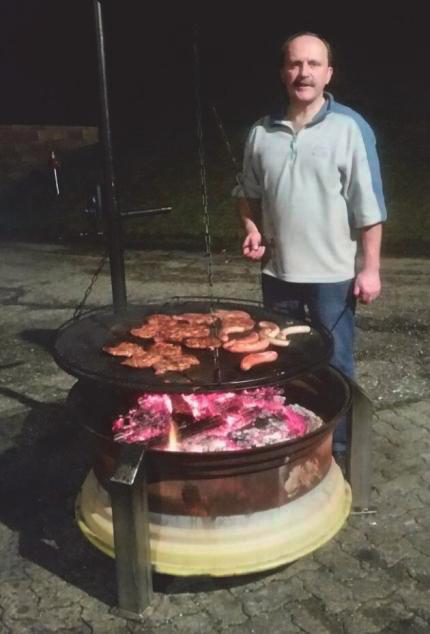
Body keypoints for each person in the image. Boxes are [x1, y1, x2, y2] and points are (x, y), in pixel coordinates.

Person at [234, 32, 387, 458]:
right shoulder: (261, 131)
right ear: (283, 72)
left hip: (332, 277)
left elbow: (369, 207)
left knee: (335, 365)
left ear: (328, 73)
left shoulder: (350, 128)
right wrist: (251, 228)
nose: (304, 73)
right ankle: (286, 440)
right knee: (279, 364)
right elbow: (247, 193)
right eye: (295, 64)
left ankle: (337, 451)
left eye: (313, 65)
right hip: (277, 275)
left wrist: (370, 269)